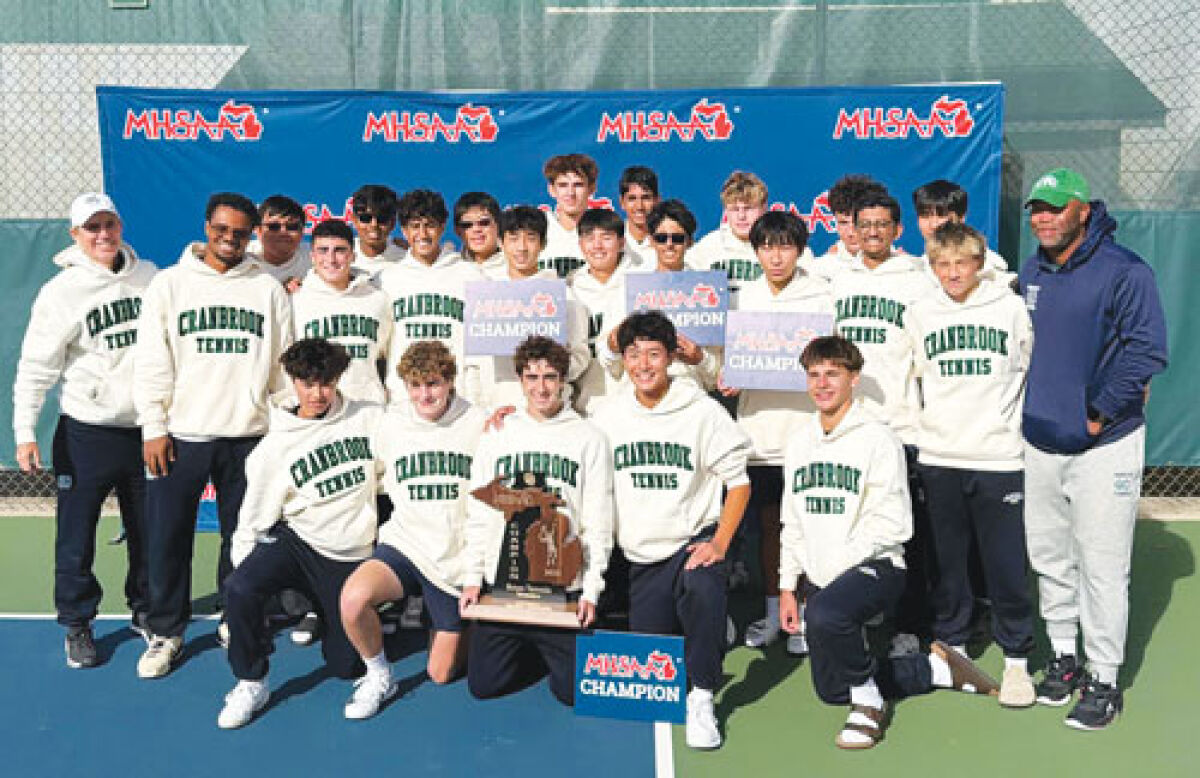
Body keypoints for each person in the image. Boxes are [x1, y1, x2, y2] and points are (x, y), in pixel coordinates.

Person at [779, 335, 1000, 750]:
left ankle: (869, 706)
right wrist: (788, 585)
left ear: (854, 379)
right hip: (824, 577)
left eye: (833, 374)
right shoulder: (798, 442)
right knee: (830, 690)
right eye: (814, 375)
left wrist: (835, 574)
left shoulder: (878, 439)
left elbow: (895, 525)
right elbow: (791, 520)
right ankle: (935, 670)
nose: (822, 384)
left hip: (878, 567)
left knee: (827, 614)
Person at [1017, 168, 1168, 730]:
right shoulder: (1031, 269)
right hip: (1040, 442)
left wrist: (1100, 411)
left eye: (1056, 207)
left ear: (1083, 209)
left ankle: (1104, 678)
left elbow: (1147, 349)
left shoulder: (1124, 270)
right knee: (1051, 560)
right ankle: (1064, 658)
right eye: (1036, 208)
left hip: (1105, 446)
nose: (1044, 217)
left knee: (1102, 568)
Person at [133, 191, 293, 678]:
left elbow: (282, 369)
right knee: (168, 539)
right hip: (182, 434)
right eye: (222, 230)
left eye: (240, 233)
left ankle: (233, 614)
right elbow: (152, 362)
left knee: (241, 537)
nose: (230, 239)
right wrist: (154, 426)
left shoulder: (266, 289)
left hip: (248, 434)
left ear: (252, 236)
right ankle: (165, 631)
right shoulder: (170, 284)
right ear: (207, 227)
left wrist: (280, 429)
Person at [592, 311, 751, 750]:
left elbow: (739, 483)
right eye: (634, 354)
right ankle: (711, 626)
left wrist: (720, 542)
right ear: (623, 359)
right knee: (658, 665)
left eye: (654, 354)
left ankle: (703, 696)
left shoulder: (701, 411)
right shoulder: (607, 415)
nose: (644, 364)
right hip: (640, 558)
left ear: (670, 358)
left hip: (690, 544)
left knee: (702, 584)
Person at [12, 192, 157, 668]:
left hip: (142, 430)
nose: (102, 235)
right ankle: (77, 623)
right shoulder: (61, 292)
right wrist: (24, 430)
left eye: (108, 225)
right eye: (91, 228)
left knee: (147, 532)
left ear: (120, 226)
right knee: (76, 537)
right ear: (75, 235)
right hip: (86, 434)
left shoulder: (150, 278)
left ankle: (145, 611)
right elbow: (36, 366)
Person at [217, 338, 382, 729]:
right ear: (293, 382)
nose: (318, 393)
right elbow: (252, 517)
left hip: (348, 553)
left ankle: (327, 613)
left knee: (345, 666)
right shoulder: (276, 446)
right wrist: (245, 592)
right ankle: (251, 681)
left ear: (338, 379)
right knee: (240, 586)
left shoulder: (370, 418)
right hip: (298, 543)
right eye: (308, 383)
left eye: (326, 382)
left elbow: (418, 426)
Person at [904, 221, 1036, 708]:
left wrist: (1012, 430)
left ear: (979, 263)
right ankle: (952, 648)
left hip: (999, 456)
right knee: (947, 563)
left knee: (1003, 564)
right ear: (932, 267)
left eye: (962, 263)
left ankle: (1017, 658)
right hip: (940, 456)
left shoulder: (1009, 307)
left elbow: (1027, 367)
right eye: (943, 264)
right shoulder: (919, 312)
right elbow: (909, 375)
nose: (953, 272)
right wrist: (923, 435)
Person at [460, 336, 613, 706]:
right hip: (505, 584)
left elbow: (598, 520)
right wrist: (471, 579)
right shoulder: (498, 434)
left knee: (572, 693)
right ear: (520, 380)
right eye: (532, 377)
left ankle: (553, 651)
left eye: (549, 377)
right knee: (484, 685)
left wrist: (591, 590)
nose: (541, 387)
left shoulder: (589, 438)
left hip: (561, 588)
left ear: (563, 380)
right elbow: (479, 513)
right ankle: (530, 647)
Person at [339, 341, 486, 719]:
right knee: (353, 600)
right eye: (416, 386)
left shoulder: (480, 422)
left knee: (440, 674)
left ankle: (469, 623)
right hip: (404, 545)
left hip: (454, 558)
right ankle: (378, 674)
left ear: (450, 382)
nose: (425, 395)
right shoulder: (389, 423)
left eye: (434, 384)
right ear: (405, 386)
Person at [718, 211, 833, 656]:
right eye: (767, 246)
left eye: (785, 246)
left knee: (807, 528)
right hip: (758, 436)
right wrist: (729, 374)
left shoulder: (821, 296)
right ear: (756, 250)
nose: (776, 255)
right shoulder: (741, 298)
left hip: (807, 434)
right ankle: (772, 614)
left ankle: (805, 613)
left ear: (800, 249)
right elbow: (725, 361)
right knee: (769, 528)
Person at [829, 189, 935, 654]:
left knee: (905, 532)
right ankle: (849, 615)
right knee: (847, 524)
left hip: (900, 426)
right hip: (848, 426)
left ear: (897, 230)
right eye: (863, 224)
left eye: (881, 224)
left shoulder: (917, 280)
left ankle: (910, 625)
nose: (872, 232)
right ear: (851, 228)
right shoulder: (833, 276)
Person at [590, 199, 720, 411]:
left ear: (689, 242)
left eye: (677, 238)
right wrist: (614, 344)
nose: (669, 244)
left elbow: (716, 374)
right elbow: (605, 358)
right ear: (651, 241)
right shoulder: (629, 287)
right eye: (661, 238)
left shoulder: (709, 291)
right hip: (636, 399)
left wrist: (699, 358)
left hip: (688, 400)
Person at [471, 205, 589, 412]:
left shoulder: (564, 296)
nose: (522, 248)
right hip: (498, 411)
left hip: (550, 412)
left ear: (543, 244)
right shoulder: (487, 296)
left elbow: (580, 356)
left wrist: (549, 374)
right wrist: (481, 407)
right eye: (514, 238)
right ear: (501, 242)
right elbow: (475, 364)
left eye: (531, 238)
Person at [376, 189, 485, 403]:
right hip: (404, 398)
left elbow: (481, 347)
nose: (423, 234)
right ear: (404, 230)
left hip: (458, 397)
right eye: (415, 226)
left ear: (443, 227)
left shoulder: (471, 275)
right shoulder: (386, 280)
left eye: (430, 225)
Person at [292, 219, 392, 405]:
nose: (331, 259)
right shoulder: (295, 301)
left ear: (353, 255)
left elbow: (387, 356)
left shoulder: (378, 299)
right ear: (312, 256)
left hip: (369, 409)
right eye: (323, 250)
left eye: (339, 250)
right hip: (320, 409)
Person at [570, 207, 637, 414]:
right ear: (581, 245)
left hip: (634, 404)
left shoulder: (641, 282)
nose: (597, 246)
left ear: (622, 242)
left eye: (606, 237)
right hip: (585, 406)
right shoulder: (569, 288)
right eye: (590, 238)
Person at [910, 180, 1012, 285]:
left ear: (961, 218)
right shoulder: (915, 266)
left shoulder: (988, 267)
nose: (933, 225)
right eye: (925, 216)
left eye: (941, 215)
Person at [689, 170, 769, 295]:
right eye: (734, 209)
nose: (741, 216)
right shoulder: (709, 245)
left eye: (748, 208)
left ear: (764, 209)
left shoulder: (782, 244)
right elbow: (681, 285)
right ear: (725, 211)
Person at [808, 174, 888, 281]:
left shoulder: (902, 266)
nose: (851, 232)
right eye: (843, 223)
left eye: (859, 223)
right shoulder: (820, 270)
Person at [539, 153, 599, 278]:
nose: (570, 193)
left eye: (578, 185)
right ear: (551, 190)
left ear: (592, 189)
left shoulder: (605, 229)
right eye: (563, 185)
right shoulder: (537, 227)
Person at [248, 195, 311, 290]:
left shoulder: (317, 257)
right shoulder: (242, 255)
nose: (283, 232)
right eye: (273, 226)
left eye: (292, 227)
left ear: (302, 232)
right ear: (258, 231)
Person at [349, 184, 405, 276]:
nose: (374, 225)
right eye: (366, 218)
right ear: (354, 221)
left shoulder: (406, 257)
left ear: (393, 223)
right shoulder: (339, 255)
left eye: (382, 219)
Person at [617, 165, 661, 268]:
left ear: (657, 200)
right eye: (632, 198)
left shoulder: (671, 241)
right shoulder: (611, 239)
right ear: (622, 202)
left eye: (646, 198)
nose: (639, 206)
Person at [453, 191, 503, 274]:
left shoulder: (517, 267)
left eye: (484, 222)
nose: (476, 229)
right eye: (467, 224)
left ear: (499, 225)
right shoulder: (450, 268)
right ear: (457, 231)